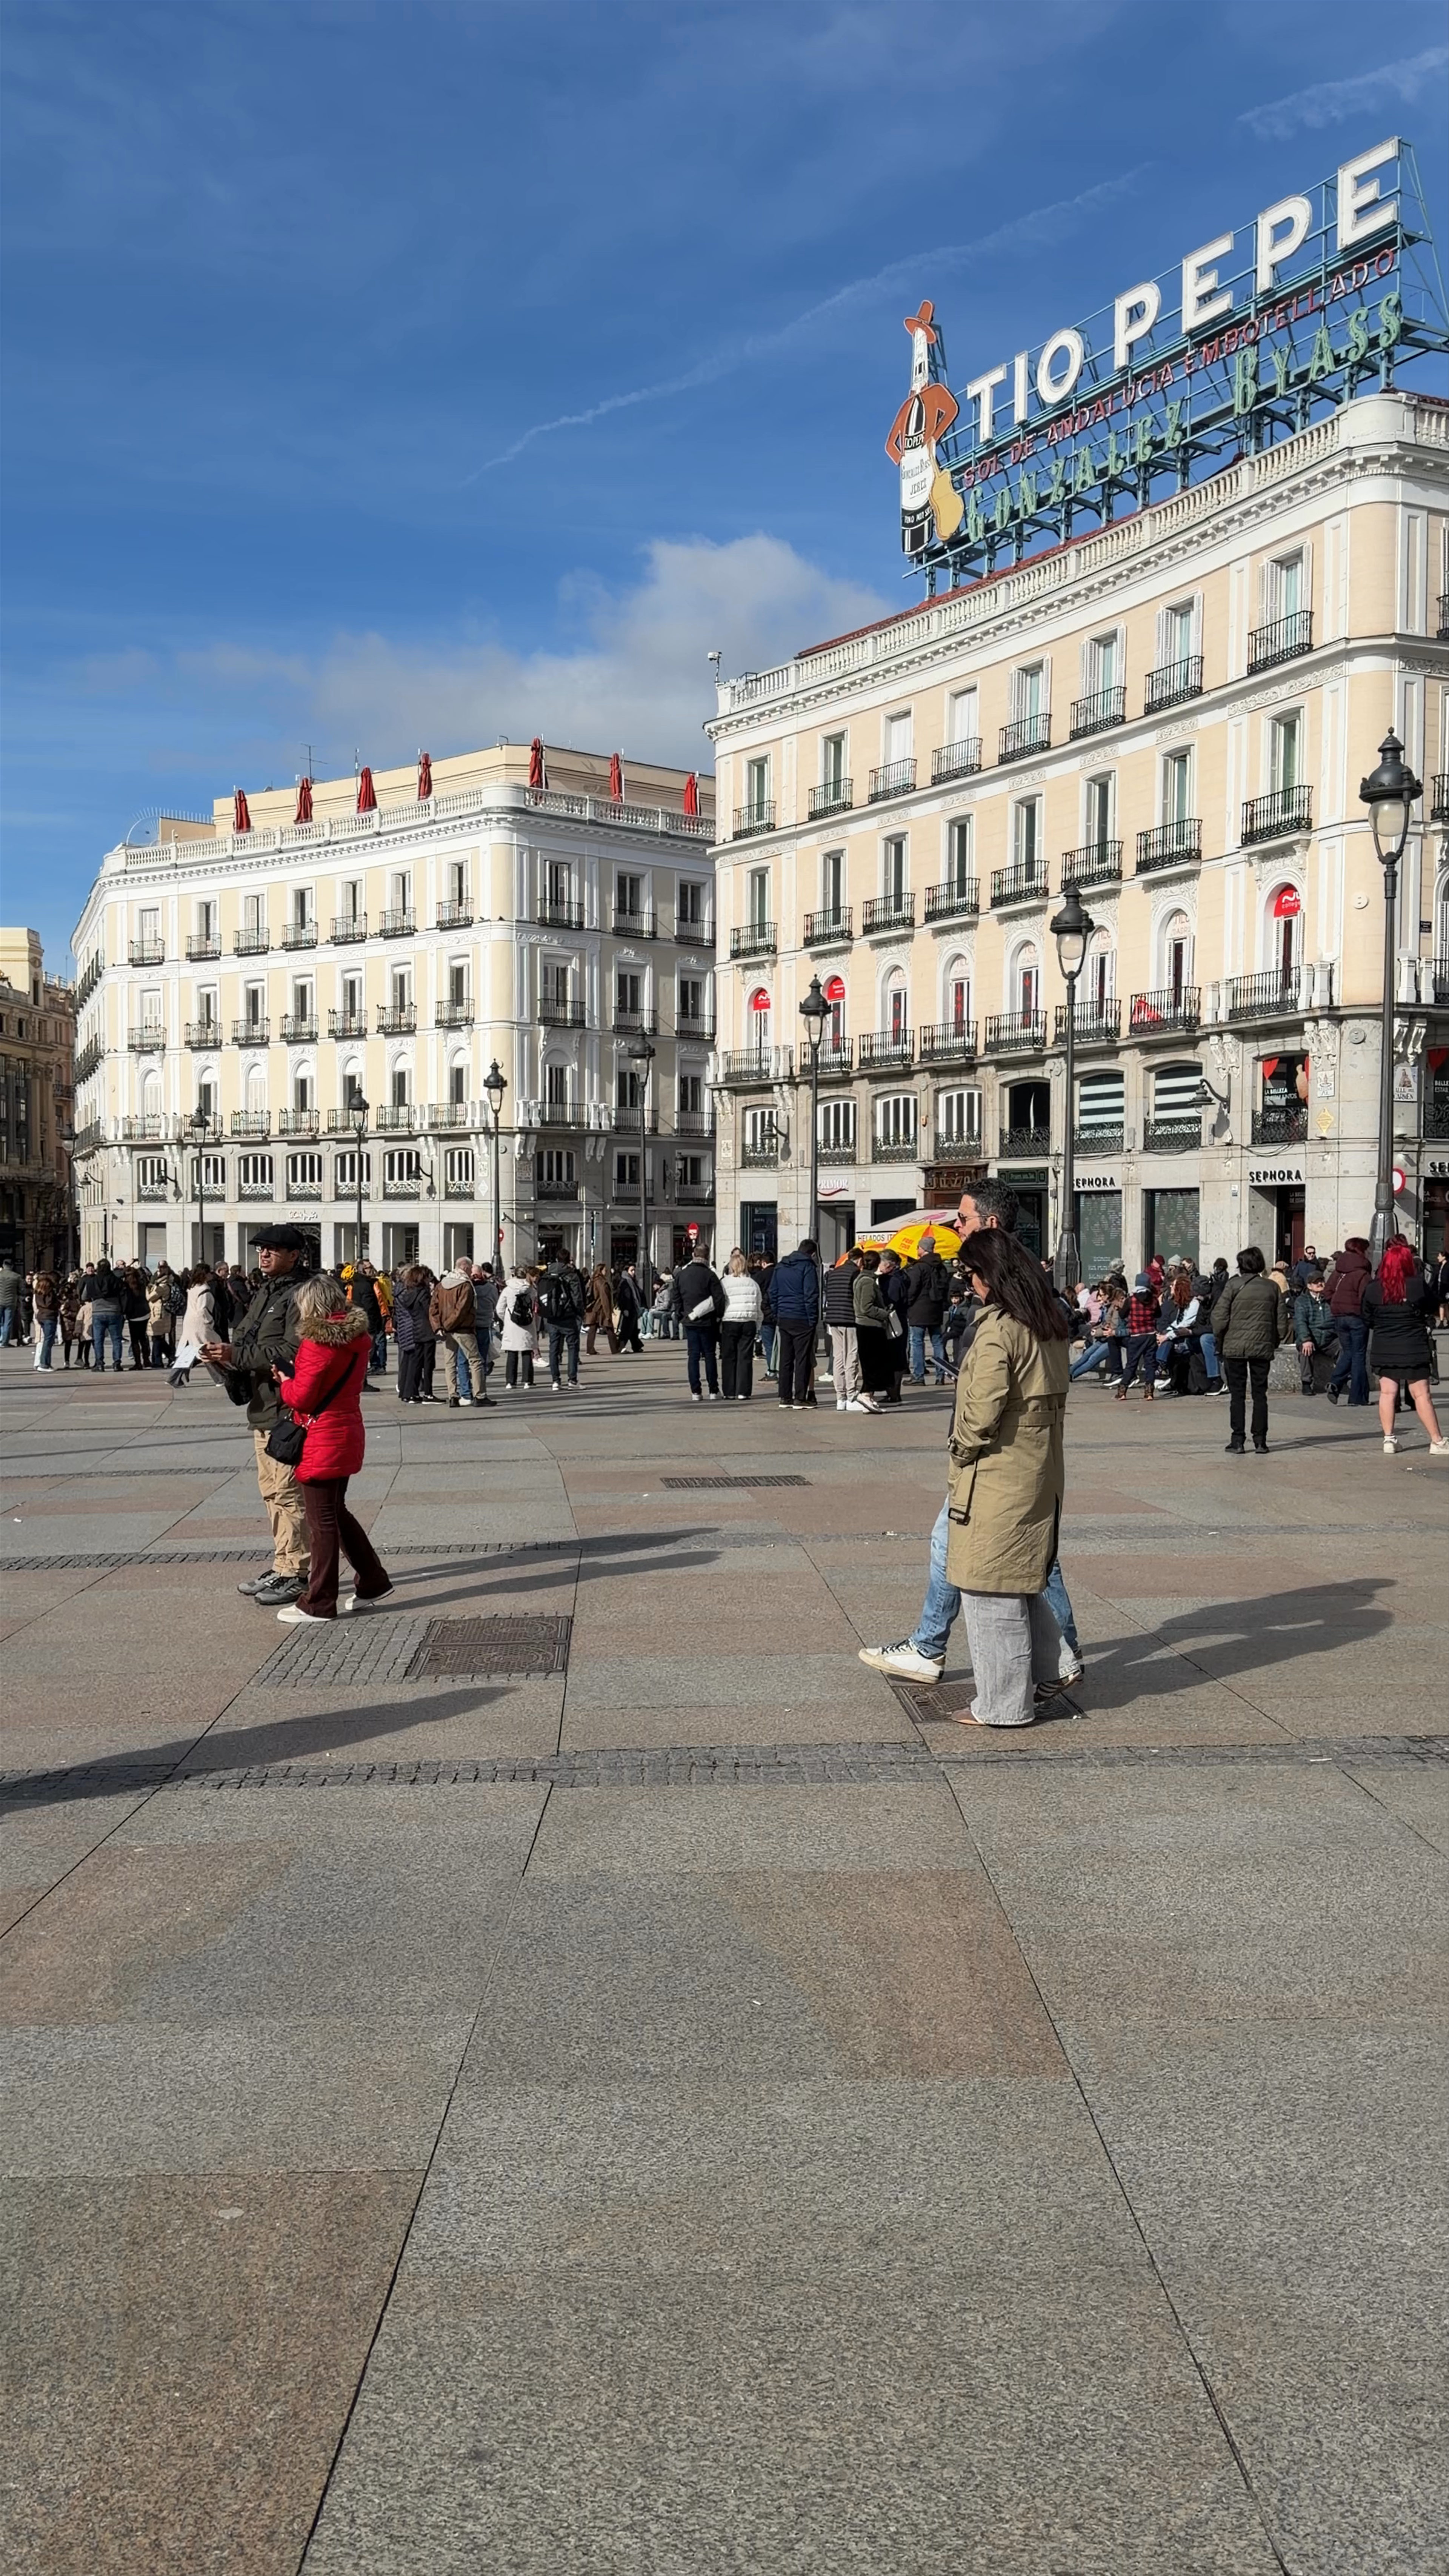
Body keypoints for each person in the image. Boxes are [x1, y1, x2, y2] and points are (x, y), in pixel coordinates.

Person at [859, 1175, 1083, 1685]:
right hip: (1028, 1461)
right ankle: (1052, 1654)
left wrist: (960, 1447)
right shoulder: (1034, 1295)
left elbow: (987, 1400)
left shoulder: (1006, 1309)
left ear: (991, 1224)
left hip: (1000, 1463)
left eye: (962, 1218)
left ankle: (933, 1646)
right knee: (1030, 1556)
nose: (955, 1226)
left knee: (980, 1548)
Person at [905, 1227, 1069, 1727]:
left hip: (997, 1474)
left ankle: (1001, 1705)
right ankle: (1058, 1663)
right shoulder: (1048, 1321)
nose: (969, 1284)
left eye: (970, 1274)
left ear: (987, 1276)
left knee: (987, 1587)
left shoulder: (999, 1329)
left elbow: (981, 1411)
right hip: (1039, 1467)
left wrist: (959, 1448)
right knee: (1021, 1579)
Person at [272, 1271, 394, 1622]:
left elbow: (303, 1396)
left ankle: (319, 1601)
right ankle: (373, 1579)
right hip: (346, 1429)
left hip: (322, 1435)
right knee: (336, 1511)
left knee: (321, 1520)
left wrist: (285, 1380)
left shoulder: (317, 1342)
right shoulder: (356, 1336)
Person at [200, 1223, 310, 1604]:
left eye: (273, 1249)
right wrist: (222, 1353)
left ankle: (298, 1570)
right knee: (270, 1492)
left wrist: (236, 1355)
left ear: (294, 1255)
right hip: (263, 1405)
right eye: (261, 1249)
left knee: (287, 1492)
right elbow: (248, 1338)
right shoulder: (267, 1290)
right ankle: (283, 1562)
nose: (263, 1254)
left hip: (288, 1407)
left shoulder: (301, 1294)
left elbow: (291, 1352)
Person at [1364, 1238, 1449, 1455]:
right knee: (1422, 1395)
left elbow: (1367, 1317)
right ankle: (1437, 1441)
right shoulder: (1416, 1284)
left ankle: (1389, 1440)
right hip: (1413, 1345)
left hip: (1384, 1345)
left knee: (1387, 1393)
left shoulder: (1373, 1288)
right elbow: (1432, 1306)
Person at [1212, 1246, 1289, 1456]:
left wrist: (1220, 1337)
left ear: (1241, 1264)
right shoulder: (1272, 1287)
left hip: (1234, 1347)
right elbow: (1282, 1321)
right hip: (1262, 1347)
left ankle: (1237, 1440)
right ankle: (1261, 1441)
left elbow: (1219, 1317)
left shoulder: (1233, 1285)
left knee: (1237, 1395)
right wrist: (1274, 1340)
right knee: (1260, 1394)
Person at [766, 1238, 820, 1410]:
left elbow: (772, 1292)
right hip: (802, 1318)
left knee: (786, 1359)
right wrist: (813, 1320)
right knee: (802, 1359)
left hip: (784, 1317)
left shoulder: (781, 1266)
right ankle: (800, 1397)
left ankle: (785, 1397)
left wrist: (778, 1313)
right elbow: (811, 1295)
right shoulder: (808, 1267)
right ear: (812, 1253)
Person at [431, 1258, 487, 1407]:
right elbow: (461, 1310)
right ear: (465, 1268)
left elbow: (433, 1308)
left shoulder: (441, 1285)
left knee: (450, 1363)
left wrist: (439, 1327)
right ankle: (479, 1396)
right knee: (475, 1361)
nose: (470, 1273)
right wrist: (449, 1325)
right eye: (469, 1270)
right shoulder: (465, 1286)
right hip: (463, 1329)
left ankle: (453, 1396)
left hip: (446, 1331)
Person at [1326, 1236, 1372, 1406]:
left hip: (1339, 1316)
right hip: (1357, 1317)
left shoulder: (1339, 1271)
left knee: (1349, 1352)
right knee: (1358, 1355)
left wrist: (1337, 1304)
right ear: (1362, 1250)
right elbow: (1366, 1298)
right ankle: (1356, 1396)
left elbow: (1328, 1291)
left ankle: (1336, 1384)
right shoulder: (1362, 1272)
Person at [677, 1240, 725, 1399]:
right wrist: (719, 1316)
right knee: (710, 1355)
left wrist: (681, 1314)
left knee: (693, 1356)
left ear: (693, 1255)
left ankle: (696, 1391)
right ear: (708, 1256)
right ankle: (713, 1390)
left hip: (690, 1320)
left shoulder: (682, 1274)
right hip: (708, 1321)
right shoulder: (710, 1275)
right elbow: (719, 1299)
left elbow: (675, 1297)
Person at [905, 1233, 950, 1386]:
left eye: (918, 1247)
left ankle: (919, 1376)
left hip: (919, 1308)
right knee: (937, 1342)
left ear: (923, 1249)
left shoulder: (920, 1267)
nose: (917, 1250)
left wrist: (908, 1304)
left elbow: (913, 1289)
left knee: (917, 1342)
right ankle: (940, 1375)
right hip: (936, 1308)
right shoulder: (941, 1266)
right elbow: (945, 1287)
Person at [851, 1250, 892, 1413]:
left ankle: (868, 1397)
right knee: (873, 1363)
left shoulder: (862, 1279)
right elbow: (866, 1307)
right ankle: (866, 1394)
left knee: (871, 1362)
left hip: (865, 1325)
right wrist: (885, 1314)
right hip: (870, 1326)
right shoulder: (868, 1281)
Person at [823, 1246, 863, 1410]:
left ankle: (840, 1398)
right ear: (859, 1260)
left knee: (838, 1358)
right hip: (849, 1318)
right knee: (851, 1357)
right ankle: (852, 1396)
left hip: (833, 1319)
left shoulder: (833, 1274)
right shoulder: (855, 1274)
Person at [719, 1251, 763, 1399]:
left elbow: (721, 1303)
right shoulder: (753, 1284)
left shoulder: (725, 1282)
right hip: (748, 1321)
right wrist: (757, 1325)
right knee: (745, 1357)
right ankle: (743, 1391)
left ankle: (729, 1391)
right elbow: (759, 1307)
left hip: (730, 1320)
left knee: (729, 1357)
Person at [540, 1253, 586, 1390]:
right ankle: (572, 1380)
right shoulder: (571, 1275)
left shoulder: (548, 1274)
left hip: (552, 1317)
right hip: (569, 1316)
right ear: (568, 1260)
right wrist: (580, 1313)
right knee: (572, 1348)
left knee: (553, 1348)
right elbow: (577, 1297)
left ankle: (556, 1381)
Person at [1292, 1268, 1339, 1396]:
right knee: (1305, 1350)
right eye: (1316, 1282)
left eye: (1322, 1281)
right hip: (1312, 1337)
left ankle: (1339, 1381)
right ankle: (1307, 1383)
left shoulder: (1330, 1300)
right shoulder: (1302, 1301)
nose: (1320, 1284)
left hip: (1329, 1339)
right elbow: (1301, 1323)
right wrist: (1306, 1340)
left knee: (1345, 1348)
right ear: (1309, 1286)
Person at [393, 1263, 436, 1403]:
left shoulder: (398, 1290)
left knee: (407, 1361)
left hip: (404, 1328)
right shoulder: (410, 1291)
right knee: (414, 1362)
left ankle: (405, 1391)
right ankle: (411, 1391)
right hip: (413, 1327)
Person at [1114, 1274, 1160, 1400]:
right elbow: (1159, 1314)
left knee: (1131, 1364)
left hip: (1136, 1335)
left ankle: (1123, 1391)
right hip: (1151, 1335)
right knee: (1150, 1364)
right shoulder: (1154, 1300)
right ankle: (1149, 1392)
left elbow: (1123, 1315)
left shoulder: (1131, 1300)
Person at [172, 1265, 218, 1386]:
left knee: (197, 1349)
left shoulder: (194, 1287)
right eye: (210, 1273)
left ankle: (176, 1376)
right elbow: (202, 1310)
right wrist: (209, 1321)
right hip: (200, 1323)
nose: (212, 1275)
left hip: (190, 1320)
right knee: (205, 1348)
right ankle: (220, 1378)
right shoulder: (204, 1290)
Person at [500, 1266, 538, 1389]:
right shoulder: (531, 1289)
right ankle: (527, 1381)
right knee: (527, 1351)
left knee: (512, 1353)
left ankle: (511, 1382)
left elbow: (499, 1308)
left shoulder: (507, 1290)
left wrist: (505, 1319)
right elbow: (535, 1306)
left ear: (514, 1275)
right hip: (527, 1323)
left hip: (512, 1324)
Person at [88, 1262, 126, 1371]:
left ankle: (100, 1364)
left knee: (98, 1340)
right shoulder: (116, 1280)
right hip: (114, 1311)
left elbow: (85, 1295)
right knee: (117, 1339)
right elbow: (123, 1295)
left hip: (98, 1312)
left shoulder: (93, 1281)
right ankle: (117, 1363)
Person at [584, 1262, 618, 1356]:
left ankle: (590, 1349)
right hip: (601, 1309)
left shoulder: (593, 1280)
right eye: (605, 1270)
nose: (606, 1272)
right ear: (601, 1271)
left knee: (593, 1329)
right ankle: (615, 1349)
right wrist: (608, 1314)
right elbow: (605, 1299)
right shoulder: (602, 1283)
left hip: (593, 1308)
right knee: (609, 1328)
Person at [123, 1266, 150, 1370]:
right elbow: (145, 1274)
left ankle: (138, 1363)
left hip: (134, 1315)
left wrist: (126, 1312)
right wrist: (138, 1269)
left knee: (135, 1340)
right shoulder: (141, 1283)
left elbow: (127, 1301)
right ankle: (147, 1360)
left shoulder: (127, 1286)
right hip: (145, 1312)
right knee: (144, 1338)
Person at [31, 1272, 58, 1370]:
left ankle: (45, 1363)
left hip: (41, 1316)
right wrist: (58, 1304)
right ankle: (44, 1364)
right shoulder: (49, 1293)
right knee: (48, 1341)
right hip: (49, 1317)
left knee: (47, 1340)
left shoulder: (37, 1292)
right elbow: (50, 1304)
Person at [616, 1263, 645, 1353]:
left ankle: (636, 1346)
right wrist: (625, 1309)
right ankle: (621, 1346)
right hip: (629, 1309)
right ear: (627, 1271)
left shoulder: (632, 1281)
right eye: (632, 1270)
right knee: (627, 1329)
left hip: (633, 1308)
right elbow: (624, 1297)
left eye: (634, 1270)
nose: (633, 1272)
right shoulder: (626, 1281)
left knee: (633, 1329)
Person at [0, 1258, 20, 1347]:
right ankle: (5, 1342)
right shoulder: (17, 1277)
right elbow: (21, 1290)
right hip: (11, 1302)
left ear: (4, 1266)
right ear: (12, 1266)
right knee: (7, 1323)